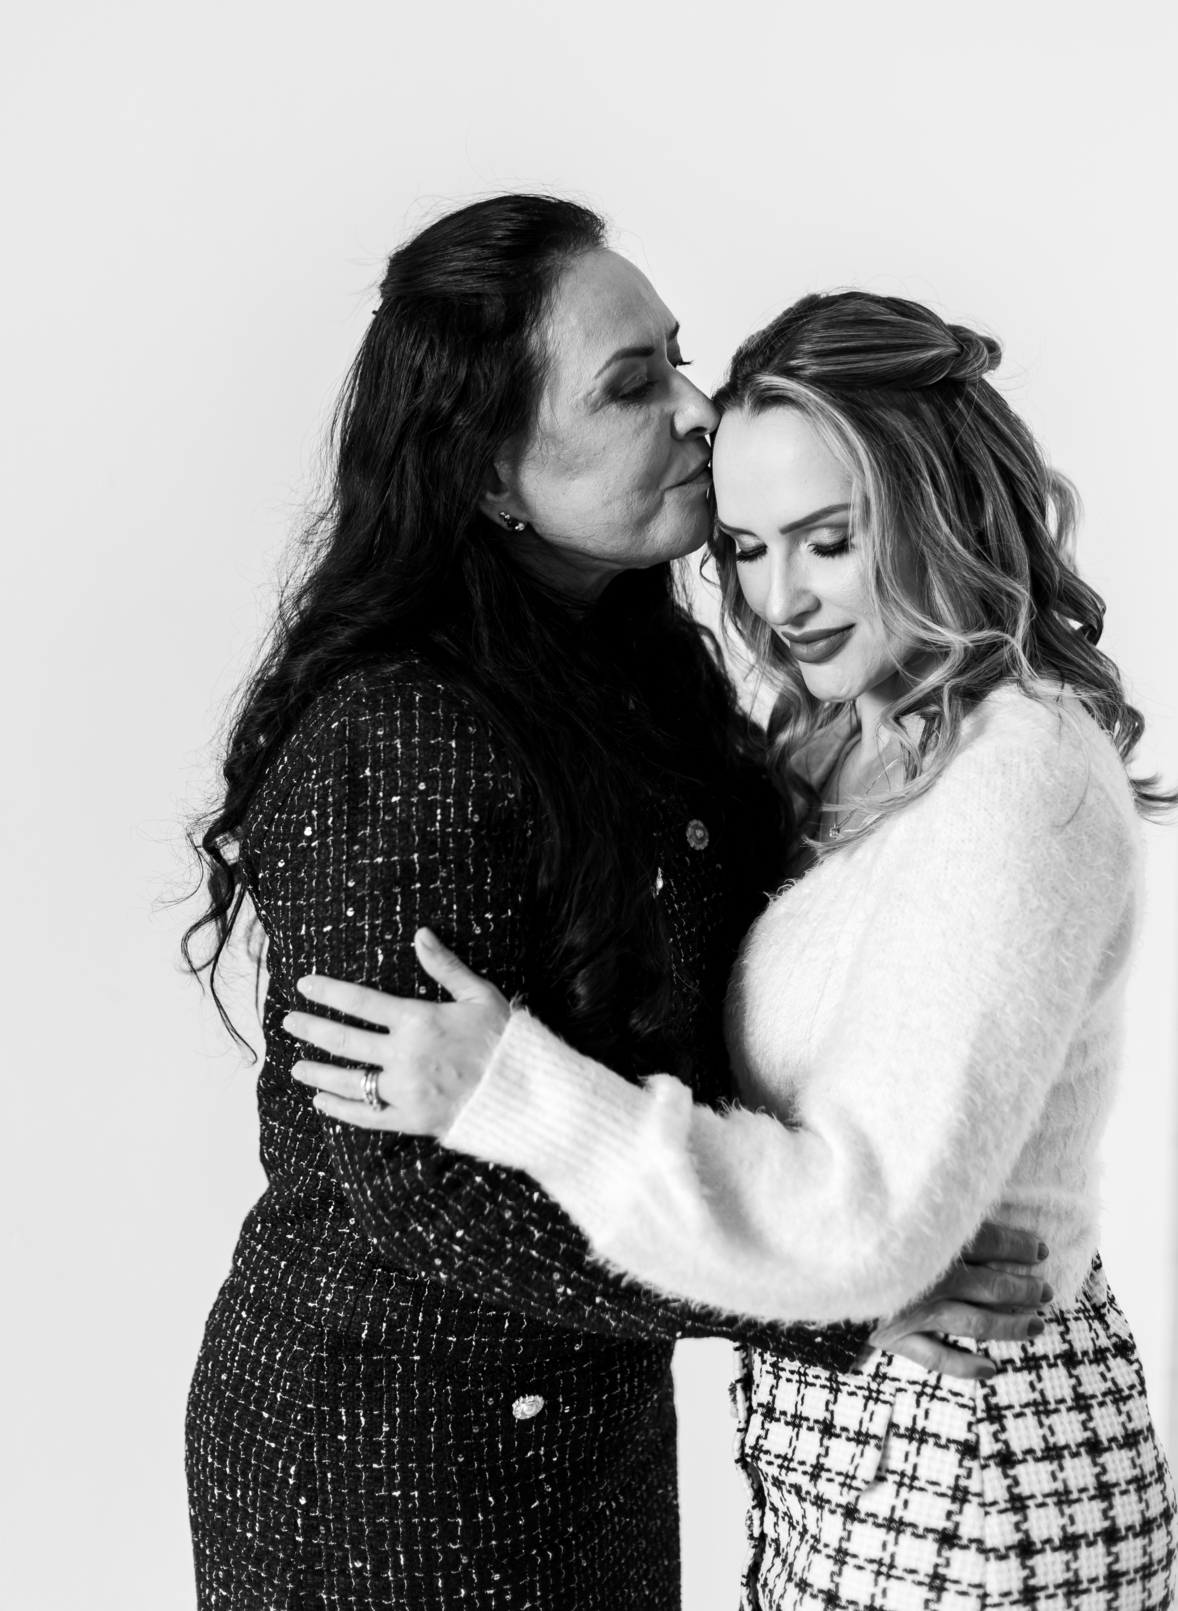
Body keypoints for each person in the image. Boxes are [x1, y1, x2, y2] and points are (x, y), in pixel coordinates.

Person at [184, 204, 1046, 1611]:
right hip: (386, 1467)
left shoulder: (635, 672)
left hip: (587, 1431)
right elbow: (410, 1187)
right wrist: (828, 1296)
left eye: (678, 360)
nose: (699, 411)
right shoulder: (400, 734)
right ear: (490, 472)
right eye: (631, 386)